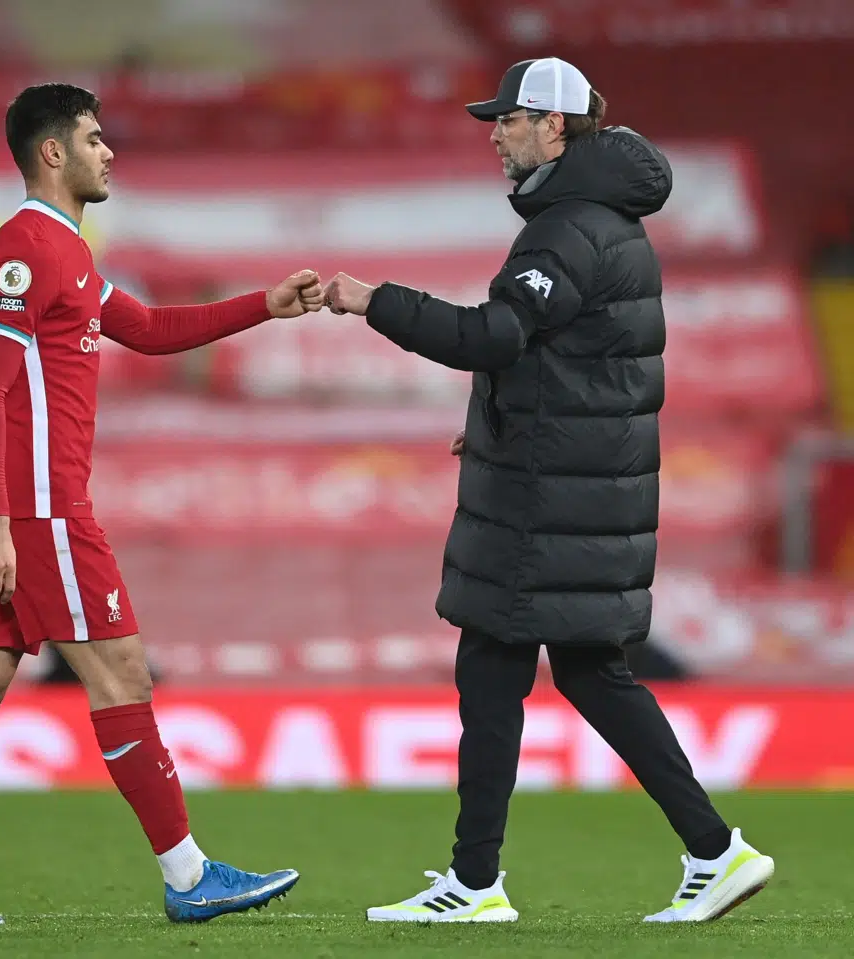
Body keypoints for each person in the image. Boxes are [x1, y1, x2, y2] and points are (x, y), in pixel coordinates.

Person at [323, 58, 775, 924]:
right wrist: (501, 415)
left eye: (509, 120)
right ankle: (702, 852)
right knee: (564, 670)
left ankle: (496, 880)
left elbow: (493, 335)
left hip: (551, 501)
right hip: (574, 485)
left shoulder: (566, 227)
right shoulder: (601, 218)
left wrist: (372, 299)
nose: (494, 134)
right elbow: (571, 361)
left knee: (519, 665)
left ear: (555, 128)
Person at [0, 83, 323, 926]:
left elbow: (147, 328)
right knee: (122, 673)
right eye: (94, 138)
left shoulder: (70, 251)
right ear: (53, 153)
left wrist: (263, 306)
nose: (109, 151)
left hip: (15, 507)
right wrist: (2, 523)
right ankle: (190, 876)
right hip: (36, 510)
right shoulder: (25, 248)